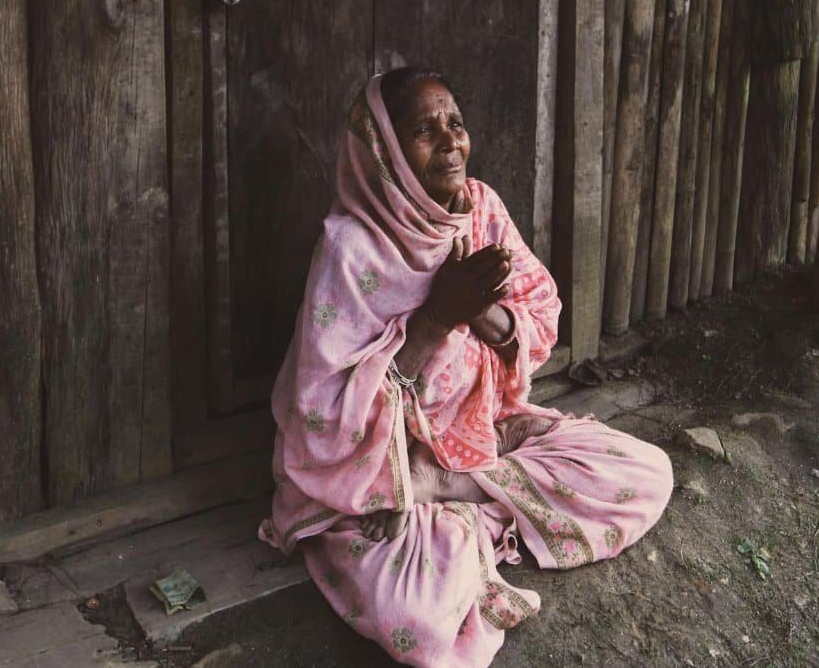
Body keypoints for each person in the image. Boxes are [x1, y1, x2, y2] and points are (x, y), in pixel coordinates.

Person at [259, 67, 673, 667]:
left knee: (648, 473)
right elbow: (322, 418)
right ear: (386, 152)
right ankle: (458, 495)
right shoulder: (349, 248)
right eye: (424, 131)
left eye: (455, 123)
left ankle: (454, 488)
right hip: (376, 471)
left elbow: (540, 310)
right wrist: (433, 321)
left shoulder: (479, 206)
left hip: (479, 434)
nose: (450, 141)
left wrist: (482, 317)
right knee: (420, 622)